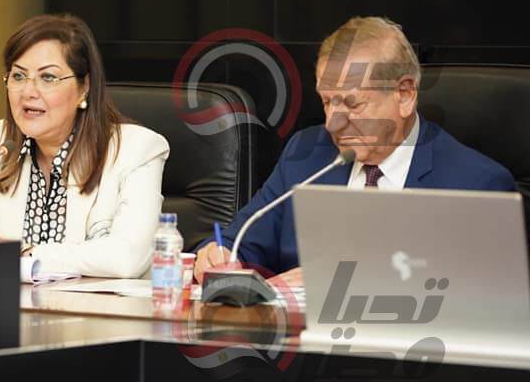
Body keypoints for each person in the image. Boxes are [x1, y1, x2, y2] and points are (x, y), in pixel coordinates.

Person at [194, 16, 515, 286]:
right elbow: (241, 241)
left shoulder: (475, 185)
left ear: (404, 95)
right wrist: (220, 255)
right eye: (326, 101)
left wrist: (338, 281)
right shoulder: (306, 154)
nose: (332, 123)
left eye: (352, 104)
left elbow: (484, 300)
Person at [0, 13, 169, 278]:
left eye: (48, 78)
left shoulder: (136, 149)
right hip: (10, 303)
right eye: (19, 76)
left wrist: (27, 254)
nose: (28, 92)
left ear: (84, 88)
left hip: (98, 305)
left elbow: (127, 259)